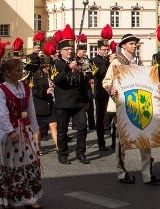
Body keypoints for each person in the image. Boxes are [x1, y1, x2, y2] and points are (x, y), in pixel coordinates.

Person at [103, 33, 160, 185]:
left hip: (139, 104)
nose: (134, 46)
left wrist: (156, 85)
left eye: (135, 43)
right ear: (123, 46)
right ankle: (122, 173)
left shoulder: (138, 61)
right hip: (121, 104)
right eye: (130, 43)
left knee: (145, 138)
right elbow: (106, 81)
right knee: (122, 140)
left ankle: (147, 174)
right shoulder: (116, 61)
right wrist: (111, 90)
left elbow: (146, 81)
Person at [0, 58, 42, 209]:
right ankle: (10, 199)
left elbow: (31, 110)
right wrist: (10, 131)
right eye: (18, 70)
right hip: (9, 131)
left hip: (24, 128)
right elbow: (2, 114)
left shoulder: (25, 87)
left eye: (22, 70)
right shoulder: (1, 90)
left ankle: (30, 197)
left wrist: (35, 129)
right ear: (8, 73)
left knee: (29, 162)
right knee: (11, 164)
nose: (21, 73)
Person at [51, 36, 92, 165]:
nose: (69, 51)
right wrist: (68, 68)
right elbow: (57, 80)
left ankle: (81, 153)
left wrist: (87, 100)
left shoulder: (78, 63)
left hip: (78, 102)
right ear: (60, 51)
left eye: (70, 49)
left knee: (82, 127)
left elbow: (84, 83)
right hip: (63, 103)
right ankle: (63, 154)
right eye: (66, 49)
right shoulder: (56, 64)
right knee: (62, 131)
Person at [30, 57, 57, 155]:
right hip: (39, 104)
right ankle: (38, 146)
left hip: (50, 103)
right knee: (38, 128)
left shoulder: (51, 74)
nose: (48, 68)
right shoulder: (35, 75)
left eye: (49, 66)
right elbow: (33, 91)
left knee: (54, 125)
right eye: (46, 66)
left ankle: (59, 147)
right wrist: (45, 91)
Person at [91, 40, 112, 151]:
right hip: (100, 92)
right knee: (100, 118)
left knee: (112, 116)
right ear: (98, 49)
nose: (105, 51)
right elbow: (99, 73)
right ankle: (101, 143)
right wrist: (108, 62)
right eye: (103, 49)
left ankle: (114, 142)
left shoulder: (109, 60)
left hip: (111, 91)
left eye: (107, 49)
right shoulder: (94, 61)